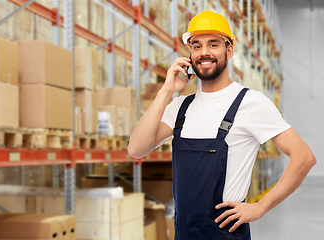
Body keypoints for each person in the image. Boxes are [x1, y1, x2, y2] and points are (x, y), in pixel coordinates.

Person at [128, 10, 316, 240]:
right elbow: (136, 150)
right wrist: (166, 91)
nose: (204, 52)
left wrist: (261, 207)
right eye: (196, 46)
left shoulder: (250, 102)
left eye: (213, 44)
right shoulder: (180, 107)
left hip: (226, 234)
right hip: (184, 232)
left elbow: (304, 157)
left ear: (229, 50)